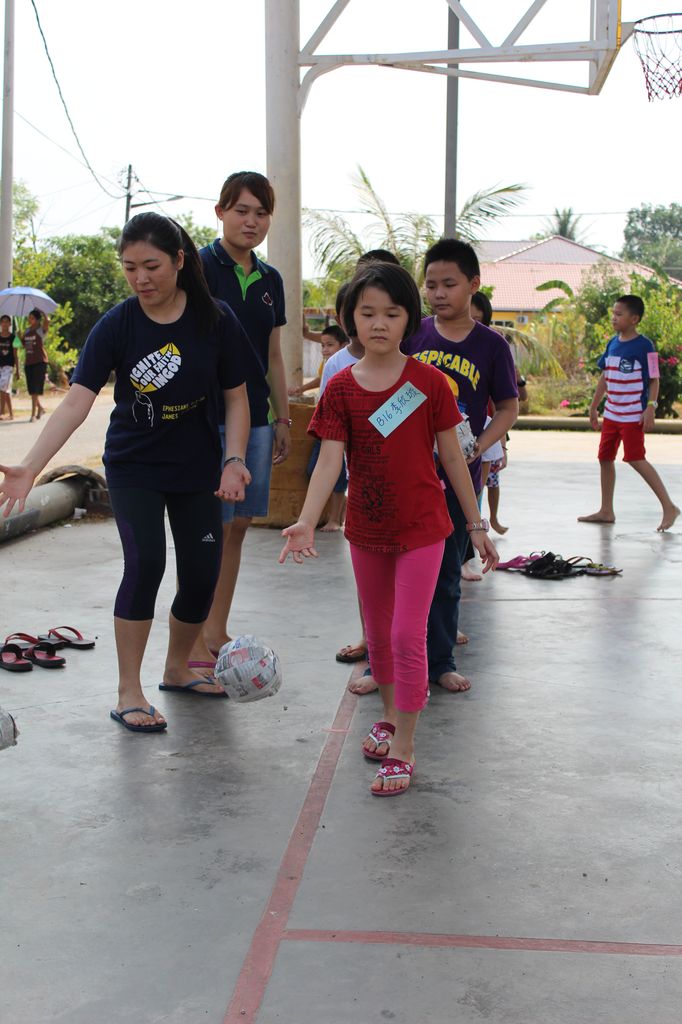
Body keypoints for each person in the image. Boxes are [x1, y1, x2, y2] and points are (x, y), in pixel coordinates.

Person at [0, 213, 252, 732]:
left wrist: (234, 460)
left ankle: (177, 668)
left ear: (179, 260)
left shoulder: (215, 319)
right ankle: (129, 691)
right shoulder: (118, 324)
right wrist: (30, 466)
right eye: (130, 267)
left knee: (202, 574)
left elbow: (237, 397)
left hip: (197, 467)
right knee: (147, 564)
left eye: (151, 266)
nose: (141, 278)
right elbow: (76, 402)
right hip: (134, 466)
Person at [280, 262, 498, 795]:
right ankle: (389, 716)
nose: (379, 323)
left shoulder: (430, 383)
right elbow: (329, 462)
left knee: (405, 635)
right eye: (368, 313)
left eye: (392, 313)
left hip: (424, 528)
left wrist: (475, 524)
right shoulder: (339, 388)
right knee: (378, 638)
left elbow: (453, 457)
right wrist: (306, 520)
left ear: (409, 319)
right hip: (366, 531)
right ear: (350, 319)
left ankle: (404, 745)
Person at [402, 240, 519, 693]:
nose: (438, 293)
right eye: (430, 285)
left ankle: (441, 661)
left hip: (456, 480)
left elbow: (507, 408)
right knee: (395, 575)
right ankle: (382, 663)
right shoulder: (412, 335)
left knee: (447, 575)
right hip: (406, 477)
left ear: (473, 284)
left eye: (448, 284)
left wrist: (479, 446)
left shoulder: (492, 346)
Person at [189, 171, 290, 667]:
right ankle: (190, 637)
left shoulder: (271, 280)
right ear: (220, 212)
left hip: (260, 420)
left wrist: (284, 417)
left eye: (261, 213)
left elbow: (273, 354)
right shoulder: (197, 268)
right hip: (208, 419)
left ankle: (216, 628)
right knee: (209, 529)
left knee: (240, 525)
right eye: (242, 210)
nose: (252, 222)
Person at [578, 294, 679, 533]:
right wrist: (594, 406)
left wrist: (650, 407)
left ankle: (669, 506)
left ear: (634, 319)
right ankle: (606, 510)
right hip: (612, 414)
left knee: (635, 458)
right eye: (613, 314)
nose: (614, 318)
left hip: (632, 415)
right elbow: (605, 377)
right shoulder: (612, 344)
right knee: (604, 458)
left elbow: (654, 380)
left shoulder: (645, 346)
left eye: (619, 314)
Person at [296, 324, 349, 531]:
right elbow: (321, 382)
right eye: (323, 345)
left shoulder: (346, 363)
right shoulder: (329, 363)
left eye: (329, 345)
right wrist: (301, 388)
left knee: (339, 473)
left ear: (343, 345)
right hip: (326, 424)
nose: (325, 349)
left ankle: (335, 518)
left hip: (340, 427)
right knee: (316, 469)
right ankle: (336, 511)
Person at [21, 308, 49, 421]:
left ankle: (33, 415)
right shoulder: (27, 331)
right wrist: (20, 337)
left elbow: (47, 322)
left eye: (32, 318)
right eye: (29, 318)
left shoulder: (40, 330)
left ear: (37, 320)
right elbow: (25, 346)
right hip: (29, 362)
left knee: (35, 389)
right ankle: (40, 408)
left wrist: (43, 312)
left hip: (39, 361)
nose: (30, 320)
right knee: (31, 389)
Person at [0, 315, 20, 420]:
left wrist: (18, 370)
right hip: (0, 366)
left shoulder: (14, 338)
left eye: (7, 322)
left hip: (8, 367)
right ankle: (11, 414)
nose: (5, 324)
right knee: (6, 390)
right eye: (3, 322)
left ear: (10, 324)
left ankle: (1, 412)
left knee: (2, 388)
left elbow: (16, 355)